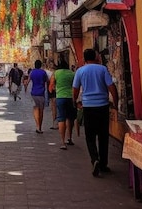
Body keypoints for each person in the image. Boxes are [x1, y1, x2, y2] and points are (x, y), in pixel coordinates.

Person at [72, 48, 119, 177]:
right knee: (103, 136)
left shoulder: (80, 71)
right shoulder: (102, 69)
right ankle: (103, 164)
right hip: (102, 107)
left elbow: (75, 89)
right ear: (96, 57)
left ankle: (95, 159)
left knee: (90, 136)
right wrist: (115, 103)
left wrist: (75, 101)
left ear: (84, 58)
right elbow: (112, 87)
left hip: (88, 107)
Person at [50, 59, 76, 150]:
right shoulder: (72, 73)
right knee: (70, 118)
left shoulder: (56, 73)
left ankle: (62, 142)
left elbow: (51, 86)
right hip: (71, 98)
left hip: (60, 97)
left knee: (61, 119)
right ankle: (69, 138)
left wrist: (55, 89)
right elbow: (75, 86)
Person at [29, 60, 49, 133]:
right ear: (40, 65)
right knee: (41, 111)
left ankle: (37, 126)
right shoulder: (43, 72)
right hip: (41, 93)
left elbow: (28, 81)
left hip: (34, 93)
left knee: (35, 109)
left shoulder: (32, 72)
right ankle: (40, 126)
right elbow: (47, 81)